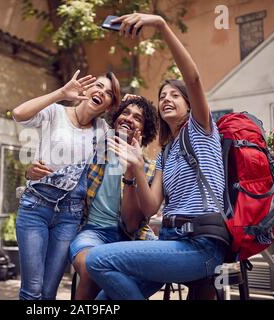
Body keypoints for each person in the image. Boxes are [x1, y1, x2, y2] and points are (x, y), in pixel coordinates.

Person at [85, 13, 229, 300]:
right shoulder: (165, 153)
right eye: (163, 96)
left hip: (201, 245)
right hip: (170, 242)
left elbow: (193, 77)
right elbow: (150, 209)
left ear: (189, 105)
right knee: (104, 300)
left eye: (175, 95)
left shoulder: (200, 129)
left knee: (97, 260)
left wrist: (161, 25)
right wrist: (136, 166)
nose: (166, 99)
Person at [27, 95, 159, 300]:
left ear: (145, 129)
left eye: (137, 117)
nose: (129, 118)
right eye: (125, 113)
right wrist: (31, 172)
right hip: (92, 232)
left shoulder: (148, 169)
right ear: (115, 119)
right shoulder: (95, 149)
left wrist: (132, 172)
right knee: (91, 268)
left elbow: (132, 225)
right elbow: (58, 169)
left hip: (130, 238)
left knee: (162, 268)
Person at [12, 70, 120, 300]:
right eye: (98, 86)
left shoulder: (102, 132)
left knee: (49, 292)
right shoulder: (55, 113)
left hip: (69, 216)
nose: (101, 92)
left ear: (108, 106)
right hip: (35, 208)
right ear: (86, 89)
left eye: (109, 93)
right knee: (32, 291)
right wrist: (61, 93)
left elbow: (107, 168)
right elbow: (19, 113)